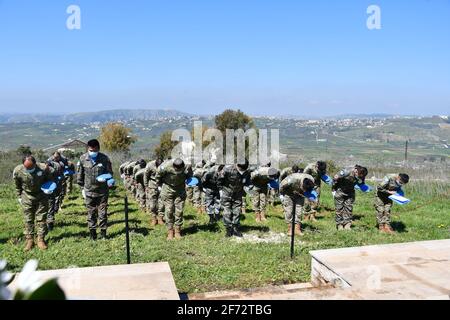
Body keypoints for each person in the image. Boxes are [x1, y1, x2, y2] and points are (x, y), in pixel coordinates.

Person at [13, 155, 55, 251]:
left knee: (41, 218)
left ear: (35, 164)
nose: (29, 169)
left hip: (41, 196)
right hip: (27, 197)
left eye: (31, 167)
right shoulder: (18, 171)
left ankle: (40, 239)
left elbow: (51, 179)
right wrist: (19, 196)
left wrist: (50, 188)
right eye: (27, 168)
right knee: (28, 219)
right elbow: (17, 185)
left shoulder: (44, 168)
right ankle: (30, 240)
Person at [77, 139, 113, 240]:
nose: (92, 152)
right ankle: (93, 234)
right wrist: (82, 189)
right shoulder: (83, 158)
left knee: (102, 212)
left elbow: (110, 173)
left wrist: (108, 179)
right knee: (91, 213)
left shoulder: (104, 158)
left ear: (98, 149)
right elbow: (80, 176)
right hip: (89, 191)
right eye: (90, 150)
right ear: (88, 149)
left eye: (94, 150)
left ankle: (103, 233)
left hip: (102, 191)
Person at [156, 158, 193, 240]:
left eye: (180, 169)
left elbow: (190, 177)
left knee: (179, 211)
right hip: (167, 189)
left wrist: (190, 183)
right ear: (173, 166)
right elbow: (158, 175)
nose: (178, 170)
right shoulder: (165, 166)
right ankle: (170, 231)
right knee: (169, 211)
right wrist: (159, 186)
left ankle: (177, 231)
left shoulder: (187, 166)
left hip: (180, 189)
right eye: (176, 169)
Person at [217, 160, 251, 237]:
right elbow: (219, 180)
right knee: (227, 212)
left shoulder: (246, 171)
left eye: (244, 170)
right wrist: (220, 190)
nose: (242, 171)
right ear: (237, 165)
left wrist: (247, 187)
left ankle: (235, 228)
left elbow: (248, 181)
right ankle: (228, 229)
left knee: (237, 211)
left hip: (238, 194)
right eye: (241, 170)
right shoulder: (227, 169)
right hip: (226, 193)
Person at [332, 165, 368, 230]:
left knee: (348, 209)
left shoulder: (361, 175)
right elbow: (335, 178)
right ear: (356, 171)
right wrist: (333, 189)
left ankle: (347, 224)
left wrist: (364, 188)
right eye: (359, 175)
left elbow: (361, 182)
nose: (359, 177)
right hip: (340, 191)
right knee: (339, 209)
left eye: (361, 176)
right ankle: (339, 225)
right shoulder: (347, 171)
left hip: (350, 192)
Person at [45, 159, 65, 231]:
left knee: (50, 208)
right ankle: (43, 224)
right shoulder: (40, 172)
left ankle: (50, 225)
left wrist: (54, 188)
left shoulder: (54, 171)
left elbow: (57, 180)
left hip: (51, 191)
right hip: (42, 193)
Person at [144, 158, 164, 226]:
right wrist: (146, 186)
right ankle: (154, 218)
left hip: (161, 185)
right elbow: (146, 176)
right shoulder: (150, 165)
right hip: (152, 186)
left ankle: (160, 218)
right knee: (152, 204)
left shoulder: (164, 165)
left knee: (161, 203)